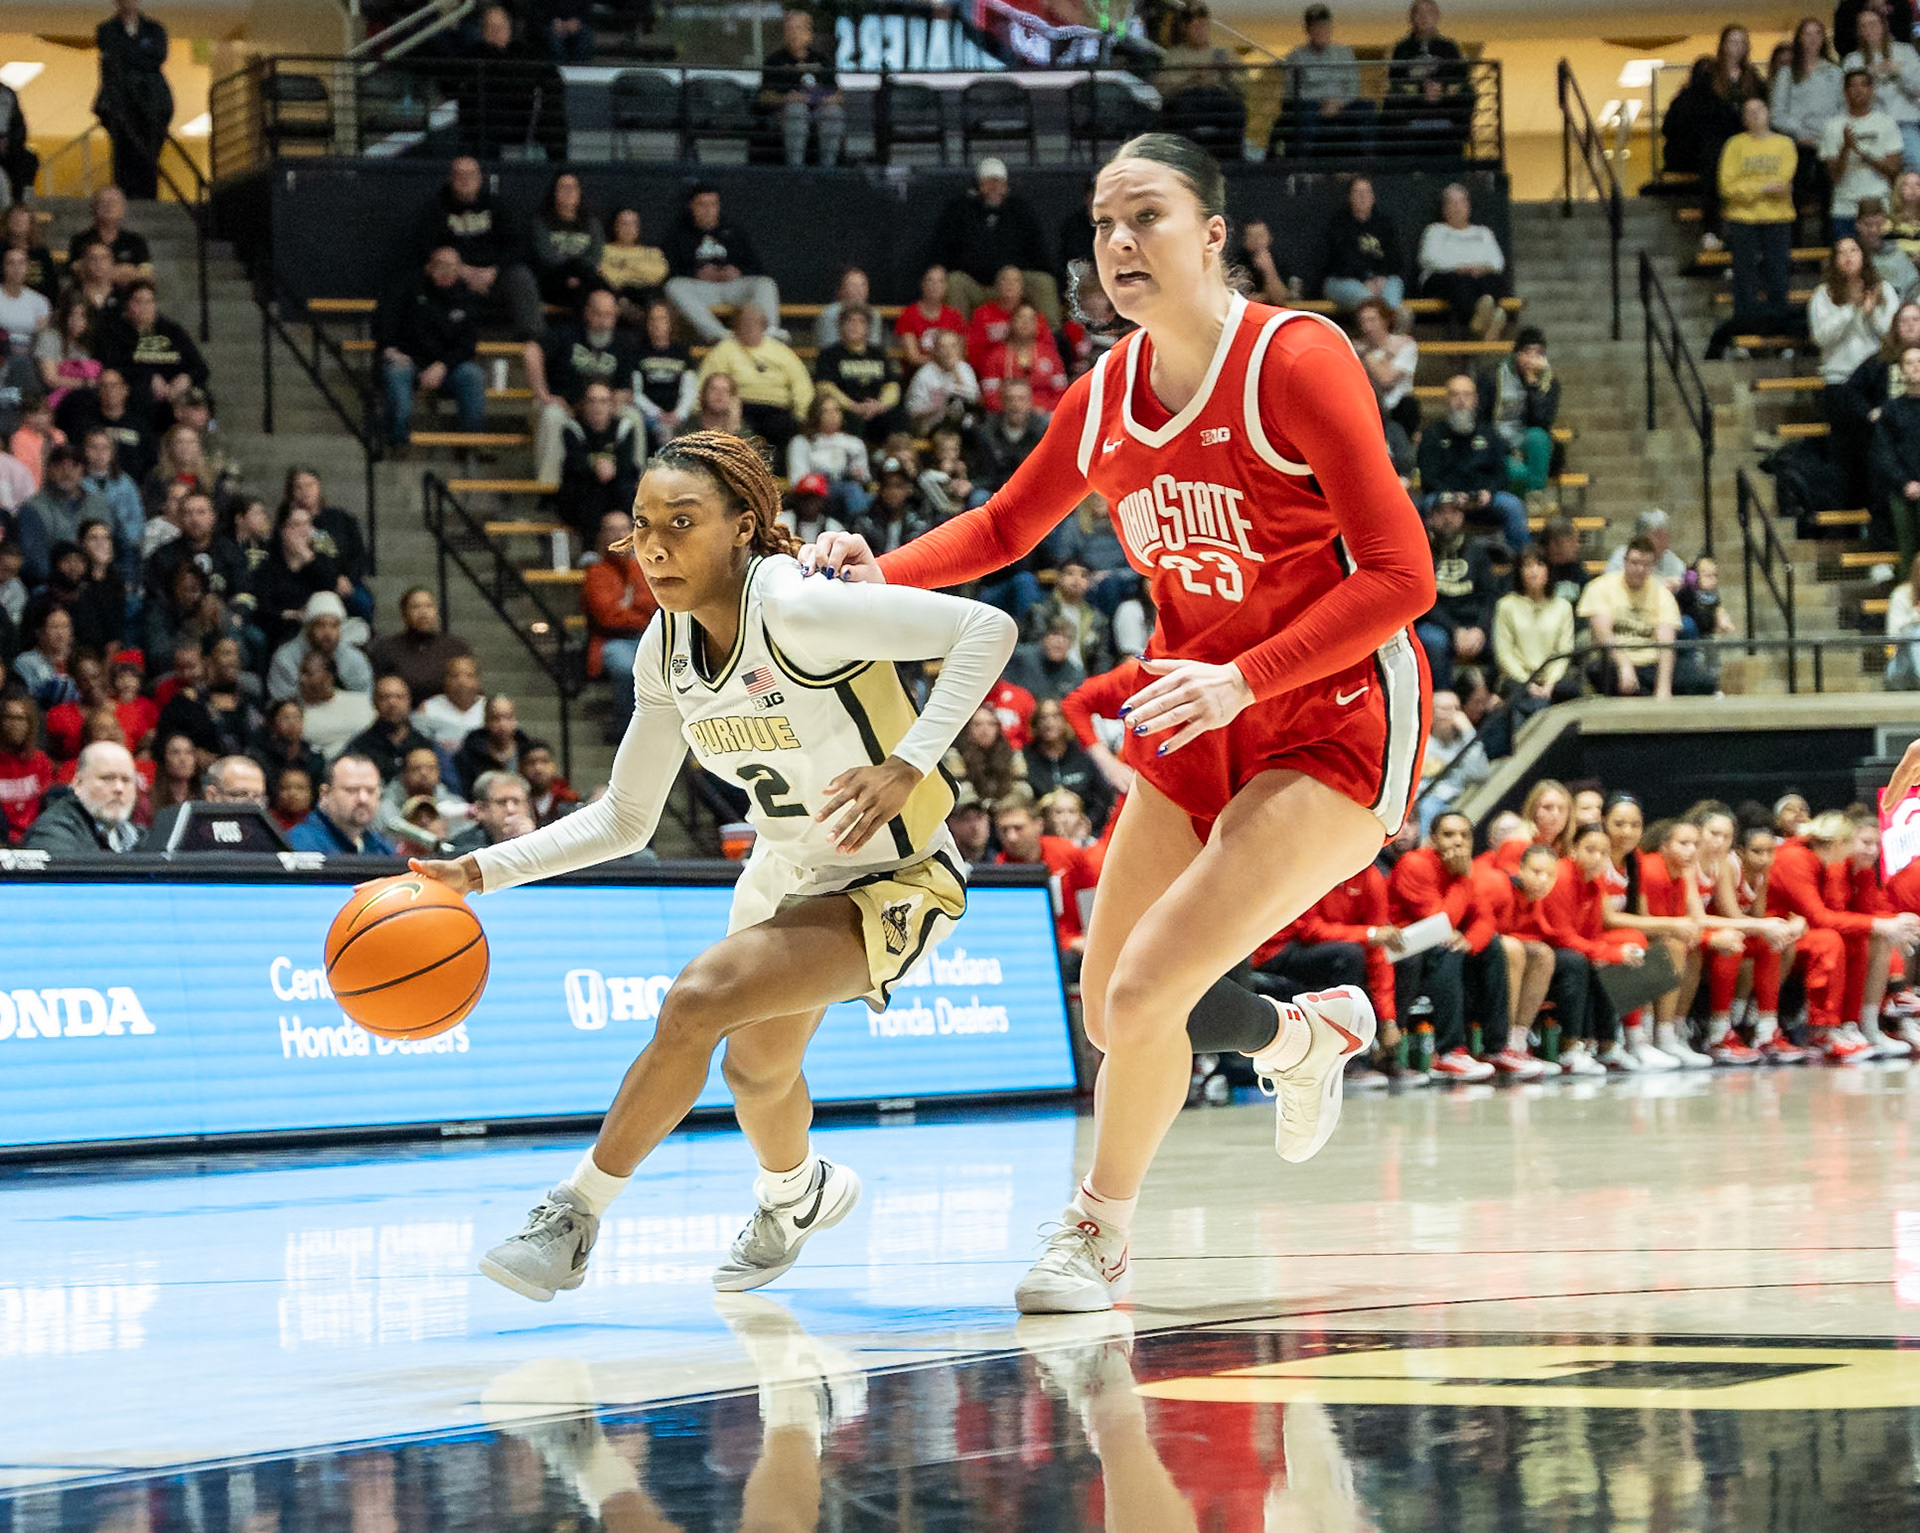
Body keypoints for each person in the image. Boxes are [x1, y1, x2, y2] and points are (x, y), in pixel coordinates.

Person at [805, 133, 1434, 1313]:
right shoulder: (1102, 398)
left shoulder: (1297, 361)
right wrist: (876, 573)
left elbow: (1404, 576)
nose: (1118, 243)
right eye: (1102, 223)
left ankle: (1096, 1234)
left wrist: (1244, 680)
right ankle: (1302, 1039)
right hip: (1197, 712)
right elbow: (1003, 528)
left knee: (1145, 995)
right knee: (1111, 1007)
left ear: (1213, 234)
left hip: (1332, 710)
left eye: (1146, 216)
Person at [401, 431, 1015, 1302]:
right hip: (788, 870)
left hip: (897, 871)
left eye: (681, 522)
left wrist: (907, 763)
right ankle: (796, 1194)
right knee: (754, 1071)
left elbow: (986, 628)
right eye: (642, 526)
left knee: (696, 1001)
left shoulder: (796, 605)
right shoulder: (664, 649)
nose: (654, 547)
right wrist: (476, 872)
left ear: (742, 526)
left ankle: (573, 1216)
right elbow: (625, 817)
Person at [415, 157, 544, 342]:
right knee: (435, 273)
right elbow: (426, 249)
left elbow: (516, 246)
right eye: (460, 175)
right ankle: (446, 343)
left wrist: (494, 271)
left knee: (521, 276)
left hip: (493, 275)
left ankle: (534, 342)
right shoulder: (435, 208)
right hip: (455, 275)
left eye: (471, 174)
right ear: (450, 178)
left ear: (480, 178)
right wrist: (462, 271)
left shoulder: (496, 205)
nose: (465, 180)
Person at [524, 287, 641, 487]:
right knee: (552, 415)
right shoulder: (566, 333)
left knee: (633, 417)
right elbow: (531, 351)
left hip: (602, 409)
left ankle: (638, 487)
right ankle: (549, 488)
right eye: (598, 314)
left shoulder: (624, 343)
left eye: (609, 315)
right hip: (565, 406)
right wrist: (543, 394)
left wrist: (611, 404)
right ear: (587, 313)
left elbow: (626, 389)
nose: (604, 322)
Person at [374, 247, 486, 451]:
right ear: (429, 267)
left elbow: (467, 346)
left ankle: (471, 445)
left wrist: (442, 365)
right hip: (408, 360)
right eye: (441, 266)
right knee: (396, 373)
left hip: (446, 366)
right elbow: (384, 320)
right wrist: (389, 348)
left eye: (453, 267)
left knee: (473, 374)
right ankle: (397, 442)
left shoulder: (466, 298)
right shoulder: (408, 287)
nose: (447, 271)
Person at [929, 160, 1059, 326]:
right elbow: (943, 249)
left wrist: (1017, 273)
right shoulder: (959, 210)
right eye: (989, 182)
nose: (995, 187)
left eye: (999, 182)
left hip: (1013, 281)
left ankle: (1051, 336)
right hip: (976, 284)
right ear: (979, 184)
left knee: (1043, 282)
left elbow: (1038, 251)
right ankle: (955, 336)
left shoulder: (1020, 210)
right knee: (954, 281)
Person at [1578, 535, 1707, 697]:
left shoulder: (1662, 594)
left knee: (1702, 682)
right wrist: (1624, 665)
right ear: (1625, 562)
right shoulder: (1600, 587)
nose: (1639, 569)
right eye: (1634, 563)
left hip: (1650, 664)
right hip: (1613, 661)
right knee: (1600, 672)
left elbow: (1666, 643)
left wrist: (1663, 688)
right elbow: (1603, 634)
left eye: (1645, 564)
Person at [1415, 373, 1530, 552]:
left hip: (1484, 500)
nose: (1461, 401)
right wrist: (1452, 495)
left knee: (1512, 505)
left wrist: (1489, 492)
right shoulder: (1432, 435)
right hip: (1447, 499)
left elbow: (1501, 475)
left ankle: (1521, 559)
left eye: (1467, 395)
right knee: (1424, 505)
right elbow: (1428, 478)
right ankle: (1426, 557)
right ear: (1446, 399)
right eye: (1455, 395)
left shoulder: (1490, 434)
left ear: (1475, 400)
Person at [663, 185, 783, 347]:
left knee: (766, 283)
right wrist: (695, 273)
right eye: (702, 205)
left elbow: (757, 267)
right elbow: (670, 270)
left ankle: (769, 334)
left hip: (733, 287)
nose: (708, 210)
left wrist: (738, 271)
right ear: (692, 206)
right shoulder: (678, 234)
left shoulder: (734, 231)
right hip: (701, 289)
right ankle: (719, 336)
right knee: (673, 286)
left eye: (713, 204)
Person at [696, 303, 811, 455]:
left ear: (763, 326)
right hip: (741, 406)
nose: (749, 327)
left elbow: (801, 385)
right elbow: (706, 382)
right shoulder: (724, 350)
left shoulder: (782, 352)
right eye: (744, 322)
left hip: (776, 408)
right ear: (737, 326)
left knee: (785, 428)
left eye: (754, 323)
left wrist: (801, 415)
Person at [1413, 493, 1495, 694]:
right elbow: (1424, 601)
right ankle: (1444, 700)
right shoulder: (1421, 552)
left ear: (1462, 516)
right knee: (1434, 642)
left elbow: (1489, 596)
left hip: (1474, 623)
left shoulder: (1477, 551)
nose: (1448, 518)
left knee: (1503, 637)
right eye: (1441, 512)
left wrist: (1480, 629)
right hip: (1438, 623)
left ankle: (1495, 699)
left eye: (1454, 511)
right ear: (1429, 517)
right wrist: (1454, 630)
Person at [94, 0, 172, 201]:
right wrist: (139, 54)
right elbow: (113, 61)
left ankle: (148, 197)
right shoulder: (107, 30)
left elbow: (158, 56)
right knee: (124, 151)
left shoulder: (155, 29)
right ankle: (124, 197)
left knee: (149, 151)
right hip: (121, 102)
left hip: (152, 100)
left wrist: (128, 55)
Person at [1773, 18, 1844, 239]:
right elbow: (1777, 113)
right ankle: (1793, 245)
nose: (1812, 39)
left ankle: (1829, 245)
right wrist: (1799, 133)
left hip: (1828, 143)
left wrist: (1829, 134)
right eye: (1807, 34)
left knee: (1829, 196)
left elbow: (1842, 109)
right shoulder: (1787, 74)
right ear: (1799, 38)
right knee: (1795, 196)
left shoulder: (1835, 72)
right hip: (1797, 143)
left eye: (1817, 34)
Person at [1492, 544, 1576, 718]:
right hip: (1516, 677)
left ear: (1548, 570)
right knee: (1530, 701)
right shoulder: (1506, 605)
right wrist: (1527, 683)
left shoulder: (1563, 607)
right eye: (1527, 566)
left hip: (1551, 678)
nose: (1533, 571)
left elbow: (1564, 651)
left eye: (1539, 565)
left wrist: (1550, 683)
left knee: (1572, 693)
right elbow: (1504, 653)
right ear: (1519, 572)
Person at [557, 380, 646, 542]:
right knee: (586, 492)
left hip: (615, 489)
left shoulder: (624, 427)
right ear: (583, 405)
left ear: (612, 406)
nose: (597, 407)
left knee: (627, 490)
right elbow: (573, 463)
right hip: (584, 490)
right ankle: (589, 548)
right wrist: (594, 466)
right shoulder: (572, 428)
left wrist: (612, 468)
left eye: (603, 401)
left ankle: (627, 546)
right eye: (592, 401)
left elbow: (627, 464)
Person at [1281, 5, 1373, 161]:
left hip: (1342, 106)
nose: (1321, 31)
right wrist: (1322, 103)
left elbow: (1353, 87)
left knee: (1366, 108)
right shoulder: (1296, 57)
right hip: (1311, 107)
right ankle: (1303, 166)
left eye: (1324, 26)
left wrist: (1338, 103)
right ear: (1307, 30)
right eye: (1316, 27)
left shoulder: (1344, 53)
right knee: (1305, 113)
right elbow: (1293, 91)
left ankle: (1366, 165)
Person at [758, 6, 845, 168]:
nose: (794, 33)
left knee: (833, 112)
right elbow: (764, 96)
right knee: (796, 110)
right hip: (785, 114)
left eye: (799, 28)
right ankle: (796, 168)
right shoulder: (774, 61)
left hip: (818, 111)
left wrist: (828, 99)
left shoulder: (821, 60)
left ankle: (828, 168)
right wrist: (786, 98)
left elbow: (838, 94)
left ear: (809, 32)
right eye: (790, 29)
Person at [1417, 184, 1508, 338]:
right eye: (1452, 203)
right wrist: (1460, 268)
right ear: (1444, 208)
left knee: (1493, 280)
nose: (1457, 207)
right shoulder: (1435, 231)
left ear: (1468, 206)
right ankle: (1484, 323)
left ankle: (1481, 322)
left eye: (1461, 202)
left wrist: (1481, 268)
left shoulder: (1483, 232)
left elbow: (1497, 262)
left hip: (1480, 276)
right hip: (1447, 278)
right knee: (1459, 283)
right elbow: (1428, 259)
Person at [1823, 68, 1905, 238]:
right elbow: (1834, 176)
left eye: (1863, 85)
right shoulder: (1833, 126)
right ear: (1845, 92)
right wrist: (1845, 148)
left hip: (1879, 204)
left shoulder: (1886, 123)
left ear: (1871, 89)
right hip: (1845, 206)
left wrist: (1863, 154)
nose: (1858, 90)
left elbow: (1894, 170)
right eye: (1852, 86)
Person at [1478, 327, 1559, 498]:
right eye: (1528, 352)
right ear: (1517, 353)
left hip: (1524, 438)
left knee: (1539, 437)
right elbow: (1481, 418)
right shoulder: (1492, 377)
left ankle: (1535, 495)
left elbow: (1542, 423)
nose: (1532, 358)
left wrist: (1532, 386)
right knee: (1519, 473)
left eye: (1539, 353)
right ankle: (1518, 503)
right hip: (1497, 438)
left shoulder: (1549, 382)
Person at [20, 739, 140, 853]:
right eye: (108, 778)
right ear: (78, 784)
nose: (119, 788)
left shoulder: (137, 835)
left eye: (126, 780)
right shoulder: (53, 831)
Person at [1385, 0, 1469, 158]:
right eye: (1419, 13)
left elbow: (1460, 78)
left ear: (1437, 16)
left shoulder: (1449, 47)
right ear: (1412, 18)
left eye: (1429, 13)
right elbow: (1395, 80)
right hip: (1412, 108)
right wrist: (1421, 91)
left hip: (1444, 106)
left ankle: (1460, 138)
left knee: (1468, 92)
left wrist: (1442, 89)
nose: (1424, 17)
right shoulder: (1402, 49)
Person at [367, 586, 472, 709]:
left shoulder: (455, 648)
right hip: (402, 714)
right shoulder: (386, 649)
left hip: (449, 714)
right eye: (416, 607)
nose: (423, 613)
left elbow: (471, 687)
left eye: (429, 606)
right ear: (404, 613)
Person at [1843, 7, 1920, 172]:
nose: (1868, 29)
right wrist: (1868, 76)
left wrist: (1899, 71)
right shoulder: (1853, 60)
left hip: (1905, 122)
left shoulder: (1905, 51)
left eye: (1873, 24)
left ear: (1884, 26)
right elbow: (1848, 97)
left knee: (1915, 169)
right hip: (1871, 126)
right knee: (1876, 173)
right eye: (1863, 26)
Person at [812, 305, 901, 445]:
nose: (855, 326)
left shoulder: (878, 354)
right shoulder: (828, 355)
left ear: (868, 328)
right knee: (851, 419)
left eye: (861, 322)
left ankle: (895, 455)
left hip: (875, 408)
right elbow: (825, 386)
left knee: (896, 416)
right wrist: (852, 406)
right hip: (845, 408)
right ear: (840, 326)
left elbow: (892, 386)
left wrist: (880, 406)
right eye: (850, 321)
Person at [1320, 176, 1407, 314]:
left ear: (1373, 197)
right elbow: (1340, 262)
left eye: (1366, 192)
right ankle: (1388, 318)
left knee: (1394, 285)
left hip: (1381, 281)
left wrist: (1381, 276)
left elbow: (1395, 259)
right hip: (1344, 281)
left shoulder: (1385, 224)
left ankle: (1395, 318)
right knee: (1368, 300)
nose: (1362, 197)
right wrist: (1365, 278)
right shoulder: (1338, 225)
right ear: (1349, 197)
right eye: (1357, 192)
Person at [268, 590, 371, 703]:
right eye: (320, 625)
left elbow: (364, 701)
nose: (327, 633)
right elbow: (282, 705)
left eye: (334, 626)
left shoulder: (355, 659)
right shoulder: (285, 659)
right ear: (308, 628)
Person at [285, 752, 393, 856]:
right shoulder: (300, 844)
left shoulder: (380, 846)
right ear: (325, 794)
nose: (363, 799)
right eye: (352, 790)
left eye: (370, 790)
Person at [527, 172, 606, 313]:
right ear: (554, 193)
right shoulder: (541, 222)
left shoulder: (592, 224)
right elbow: (546, 255)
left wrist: (578, 274)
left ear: (579, 193)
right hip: (554, 277)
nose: (568, 192)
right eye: (563, 187)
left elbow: (595, 256)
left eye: (573, 188)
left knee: (596, 286)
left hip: (584, 277)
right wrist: (569, 273)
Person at [346, 674, 439, 784]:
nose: (392, 703)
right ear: (374, 703)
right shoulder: (359, 747)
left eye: (399, 697)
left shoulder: (427, 745)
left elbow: (449, 785)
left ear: (409, 701)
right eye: (385, 697)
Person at [632, 299, 698, 449]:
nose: (657, 324)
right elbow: (636, 392)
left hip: (677, 413)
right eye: (653, 319)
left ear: (670, 323)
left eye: (662, 319)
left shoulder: (682, 353)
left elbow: (690, 389)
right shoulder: (637, 352)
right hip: (648, 414)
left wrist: (679, 414)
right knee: (663, 431)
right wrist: (657, 413)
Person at [0, 693, 54, 844]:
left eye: (20, 719)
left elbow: (46, 807)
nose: (14, 724)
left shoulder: (40, 761)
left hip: (34, 839)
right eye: (8, 718)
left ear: (29, 723)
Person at [599, 208, 668, 320]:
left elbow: (658, 275)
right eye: (624, 224)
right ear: (615, 226)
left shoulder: (652, 252)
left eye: (633, 224)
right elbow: (607, 276)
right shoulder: (603, 250)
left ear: (638, 228)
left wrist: (625, 266)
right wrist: (638, 272)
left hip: (645, 294)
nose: (628, 229)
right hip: (617, 295)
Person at [413, 654, 487, 755]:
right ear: (446, 680)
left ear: (478, 680)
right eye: (455, 676)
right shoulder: (428, 708)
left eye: (469, 676)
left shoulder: (490, 708)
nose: (462, 682)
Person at [895, 267, 964, 372]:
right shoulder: (909, 314)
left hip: (948, 371)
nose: (935, 286)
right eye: (930, 281)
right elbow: (913, 357)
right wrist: (942, 361)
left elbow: (958, 353)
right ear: (923, 284)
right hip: (918, 371)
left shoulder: (954, 316)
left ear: (946, 287)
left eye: (940, 281)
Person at [1603, 507, 1687, 589]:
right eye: (1657, 536)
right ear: (1641, 537)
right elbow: (1610, 586)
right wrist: (1660, 586)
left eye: (1666, 536)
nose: (1663, 541)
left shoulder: (1674, 562)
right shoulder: (1622, 556)